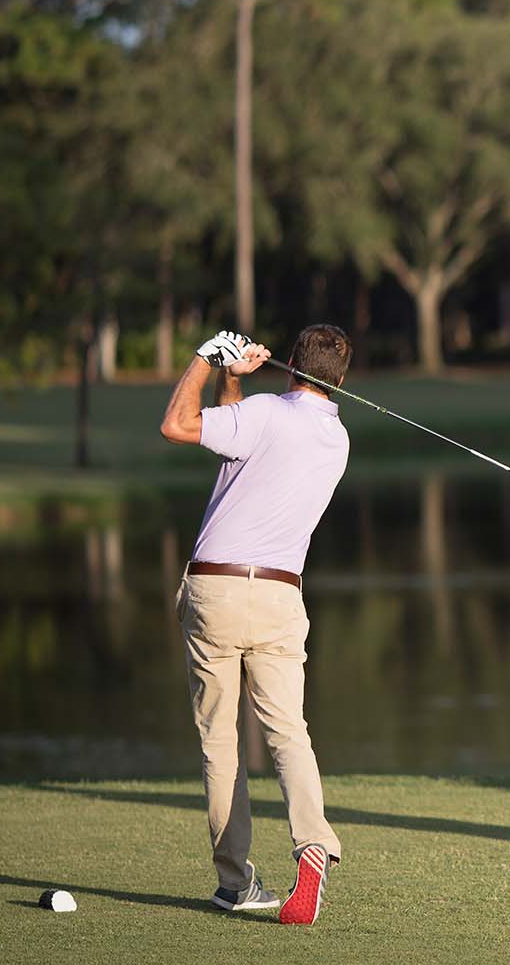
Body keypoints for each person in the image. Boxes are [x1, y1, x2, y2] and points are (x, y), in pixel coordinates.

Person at [159, 325, 354, 926]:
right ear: (340, 380)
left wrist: (203, 358)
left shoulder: (267, 413)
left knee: (222, 742)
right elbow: (236, 444)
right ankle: (312, 842)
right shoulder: (337, 439)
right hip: (279, 597)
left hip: (216, 591)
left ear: (292, 362)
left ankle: (236, 882)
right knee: (289, 734)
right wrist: (232, 380)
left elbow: (178, 426)